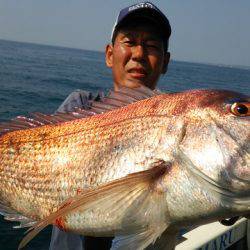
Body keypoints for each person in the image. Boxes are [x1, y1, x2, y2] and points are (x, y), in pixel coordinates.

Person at [49, 2, 171, 250]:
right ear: (109, 54)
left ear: (165, 62)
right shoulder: (79, 106)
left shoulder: (175, 120)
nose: (138, 53)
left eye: (151, 46)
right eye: (129, 42)